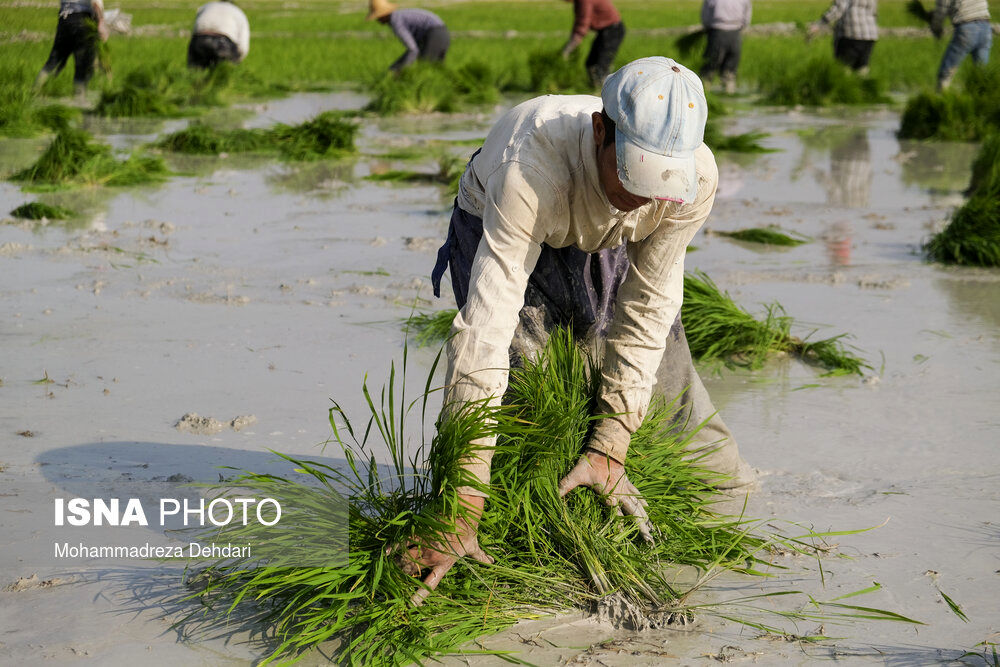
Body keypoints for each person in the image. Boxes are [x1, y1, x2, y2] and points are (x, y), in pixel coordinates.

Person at [401, 57, 754, 605]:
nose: (649, 196)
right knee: (530, 389)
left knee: (666, 384)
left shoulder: (693, 181)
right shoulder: (532, 167)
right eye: (636, 173)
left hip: (601, 231)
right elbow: (484, 330)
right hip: (507, 217)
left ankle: (725, 501)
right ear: (599, 131)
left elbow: (650, 304)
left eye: (664, 182)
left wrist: (612, 444)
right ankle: (487, 523)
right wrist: (462, 497)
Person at [34, 0, 109, 97]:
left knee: (54, 58)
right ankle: (79, 98)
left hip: (64, 19)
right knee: (82, 63)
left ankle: (35, 90)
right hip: (81, 20)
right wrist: (101, 23)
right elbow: (95, 3)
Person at [367, 0, 450, 73]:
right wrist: (396, 67)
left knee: (424, 68)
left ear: (383, 14)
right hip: (441, 33)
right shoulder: (399, 16)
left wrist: (398, 69)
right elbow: (414, 49)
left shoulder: (396, 22)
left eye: (377, 16)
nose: (377, 20)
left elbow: (413, 50)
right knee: (437, 69)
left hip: (434, 34)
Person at [560, 0, 626, 87]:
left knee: (600, 65)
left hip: (613, 30)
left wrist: (568, 49)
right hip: (605, 30)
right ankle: (596, 87)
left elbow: (583, 22)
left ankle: (605, 90)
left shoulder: (583, 1)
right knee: (591, 63)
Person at [929, 0, 992, 90]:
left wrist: (936, 28)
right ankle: (983, 98)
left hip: (967, 28)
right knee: (981, 73)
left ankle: (941, 98)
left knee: (946, 72)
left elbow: (940, 14)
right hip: (986, 28)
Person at [807, 0, 879, 74]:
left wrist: (820, 24)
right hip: (870, 34)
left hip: (851, 34)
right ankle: (863, 84)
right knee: (862, 67)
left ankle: (845, 84)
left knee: (843, 68)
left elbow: (838, 8)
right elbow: (874, 10)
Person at [700, 0, 752, 94]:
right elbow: (747, 15)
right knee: (731, 63)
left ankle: (705, 89)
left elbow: (705, 16)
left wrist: (707, 27)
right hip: (735, 32)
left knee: (712, 61)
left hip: (717, 32)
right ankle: (729, 91)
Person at [188, 0, 250, 69]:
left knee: (196, 72)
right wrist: (237, 60)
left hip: (199, 41)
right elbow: (243, 46)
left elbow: (195, 28)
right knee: (223, 73)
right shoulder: (238, 11)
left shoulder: (206, 6)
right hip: (223, 43)